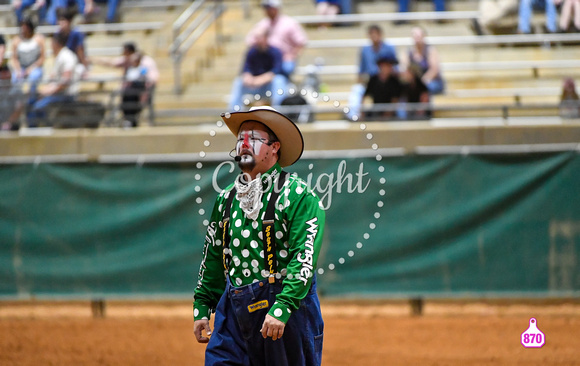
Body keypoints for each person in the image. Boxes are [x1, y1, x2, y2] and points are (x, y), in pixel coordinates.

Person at [193, 106, 325, 366]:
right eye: (240, 138)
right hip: (234, 310)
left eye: (252, 138)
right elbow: (214, 256)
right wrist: (203, 304)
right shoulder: (226, 198)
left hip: (286, 312)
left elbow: (304, 258)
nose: (243, 144)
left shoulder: (299, 195)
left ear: (274, 147)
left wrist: (283, 307)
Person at [92, 42, 159, 125]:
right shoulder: (127, 60)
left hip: (141, 91)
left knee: (134, 103)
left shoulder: (146, 62)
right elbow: (112, 63)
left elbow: (152, 78)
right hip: (128, 92)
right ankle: (129, 121)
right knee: (126, 101)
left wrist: (145, 87)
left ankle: (132, 120)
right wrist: (95, 60)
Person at [346, 24, 398, 121]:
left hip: (387, 81)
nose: (374, 37)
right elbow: (361, 72)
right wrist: (362, 82)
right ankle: (354, 117)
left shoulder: (389, 48)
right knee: (356, 90)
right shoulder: (365, 50)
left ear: (380, 35)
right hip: (371, 81)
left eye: (376, 34)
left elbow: (395, 67)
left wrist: (386, 75)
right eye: (371, 34)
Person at [27, 32, 79, 127]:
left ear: (56, 43)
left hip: (66, 95)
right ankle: (40, 128)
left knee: (37, 107)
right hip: (58, 93)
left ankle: (40, 129)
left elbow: (64, 83)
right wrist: (45, 91)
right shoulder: (60, 56)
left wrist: (48, 91)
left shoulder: (67, 57)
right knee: (31, 101)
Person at [246, 0, 308, 78]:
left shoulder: (289, 23)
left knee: (286, 68)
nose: (267, 10)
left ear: (277, 8)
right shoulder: (262, 24)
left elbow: (301, 42)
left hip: (284, 58)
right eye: (266, 8)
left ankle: (286, 86)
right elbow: (250, 41)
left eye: (269, 8)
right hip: (266, 59)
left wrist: (292, 55)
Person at [229, 31, 287, 111]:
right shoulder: (252, 51)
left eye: (259, 38)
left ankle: (279, 112)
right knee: (238, 82)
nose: (257, 40)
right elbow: (246, 69)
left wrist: (260, 80)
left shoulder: (275, 52)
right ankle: (234, 113)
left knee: (279, 80)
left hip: (269, 85)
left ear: (266, 38)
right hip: (254, 84)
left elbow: (276, 70)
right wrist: (248, 77)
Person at [9, 17, 45, 126]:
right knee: (15, 79)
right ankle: (16, 107)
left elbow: (42, 58)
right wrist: (19, 70)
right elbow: (15, 58)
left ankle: (31, 106)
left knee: (33, 79)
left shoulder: (39, 39)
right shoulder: (16, 41)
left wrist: (32, 68)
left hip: (35, 67)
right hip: (22, 68)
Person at [405, 26, 444, 95]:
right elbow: (406, 69)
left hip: (431, 81)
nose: (416, 37)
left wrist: (422, 82)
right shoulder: (409, 52)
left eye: (418, 35)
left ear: (423, 36)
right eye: (414, 35)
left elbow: (434, 70)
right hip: (416, 82)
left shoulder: (431, 50)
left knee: (425, 89)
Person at [362, 55, 402, 120]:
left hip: (391, 114)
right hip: (375, 111)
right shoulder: (373, 80)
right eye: (386, 66)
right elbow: (366, 97)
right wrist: (363, 111)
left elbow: (395, 100)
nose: (389, 68)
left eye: (390, 66)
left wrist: (387, 114)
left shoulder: (395, 81)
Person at [56, 7, 89, 75]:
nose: (61, 23)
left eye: (63, 20)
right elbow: (57, 53)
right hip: (64, 63)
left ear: (69, 21)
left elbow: (80, 52)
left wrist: (85, 67)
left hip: (76, 63)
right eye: (60, 20)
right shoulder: (57, 34)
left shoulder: (76, 34)